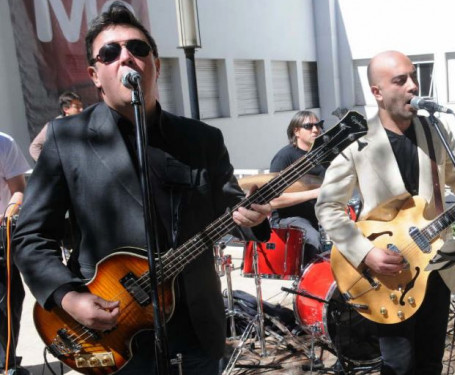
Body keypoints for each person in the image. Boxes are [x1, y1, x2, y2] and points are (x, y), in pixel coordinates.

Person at [12, 3, 270, 374]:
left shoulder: (201, 139)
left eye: (138, 48)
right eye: (110, 52)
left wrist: (252, 218)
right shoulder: (65, 140)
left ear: (156, 65)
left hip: (195, 332)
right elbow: (31, 237)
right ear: (95, 74)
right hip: (111, 330)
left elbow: (229, 206)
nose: (126, 57)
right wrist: (67, 297)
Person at [315, 50, 455, 375]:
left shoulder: (435, 131)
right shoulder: (357, 143)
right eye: (401, 80)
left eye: (415, 77)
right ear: (377, 92)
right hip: (387, 271)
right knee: (398, 365)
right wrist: (365, 253)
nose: (414, 86)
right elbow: (328, 208)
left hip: (435, 267)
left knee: (430, 363)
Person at [269, 110, 326, 264]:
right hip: (287, 219)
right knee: (313, 238)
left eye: (318, 125)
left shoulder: (322, 156)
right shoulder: (285, 156)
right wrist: (314, 193)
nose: (315, 130)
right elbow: (272, 200)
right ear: (296, 131)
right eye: (309, 126)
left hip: (317, 217)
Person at [0, 132, 29, 375]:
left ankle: (6, 361)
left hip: (1, 233)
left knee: (9, 298)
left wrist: (8, 215)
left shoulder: (4, 142)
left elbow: (18, 189)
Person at [29, 91, 84, 161]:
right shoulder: (53, 126)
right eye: (77, 107)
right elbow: (34, 147)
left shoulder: (84, 123)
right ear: (66, 109)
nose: (81, 109)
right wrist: (49, 164)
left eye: (81, 106)